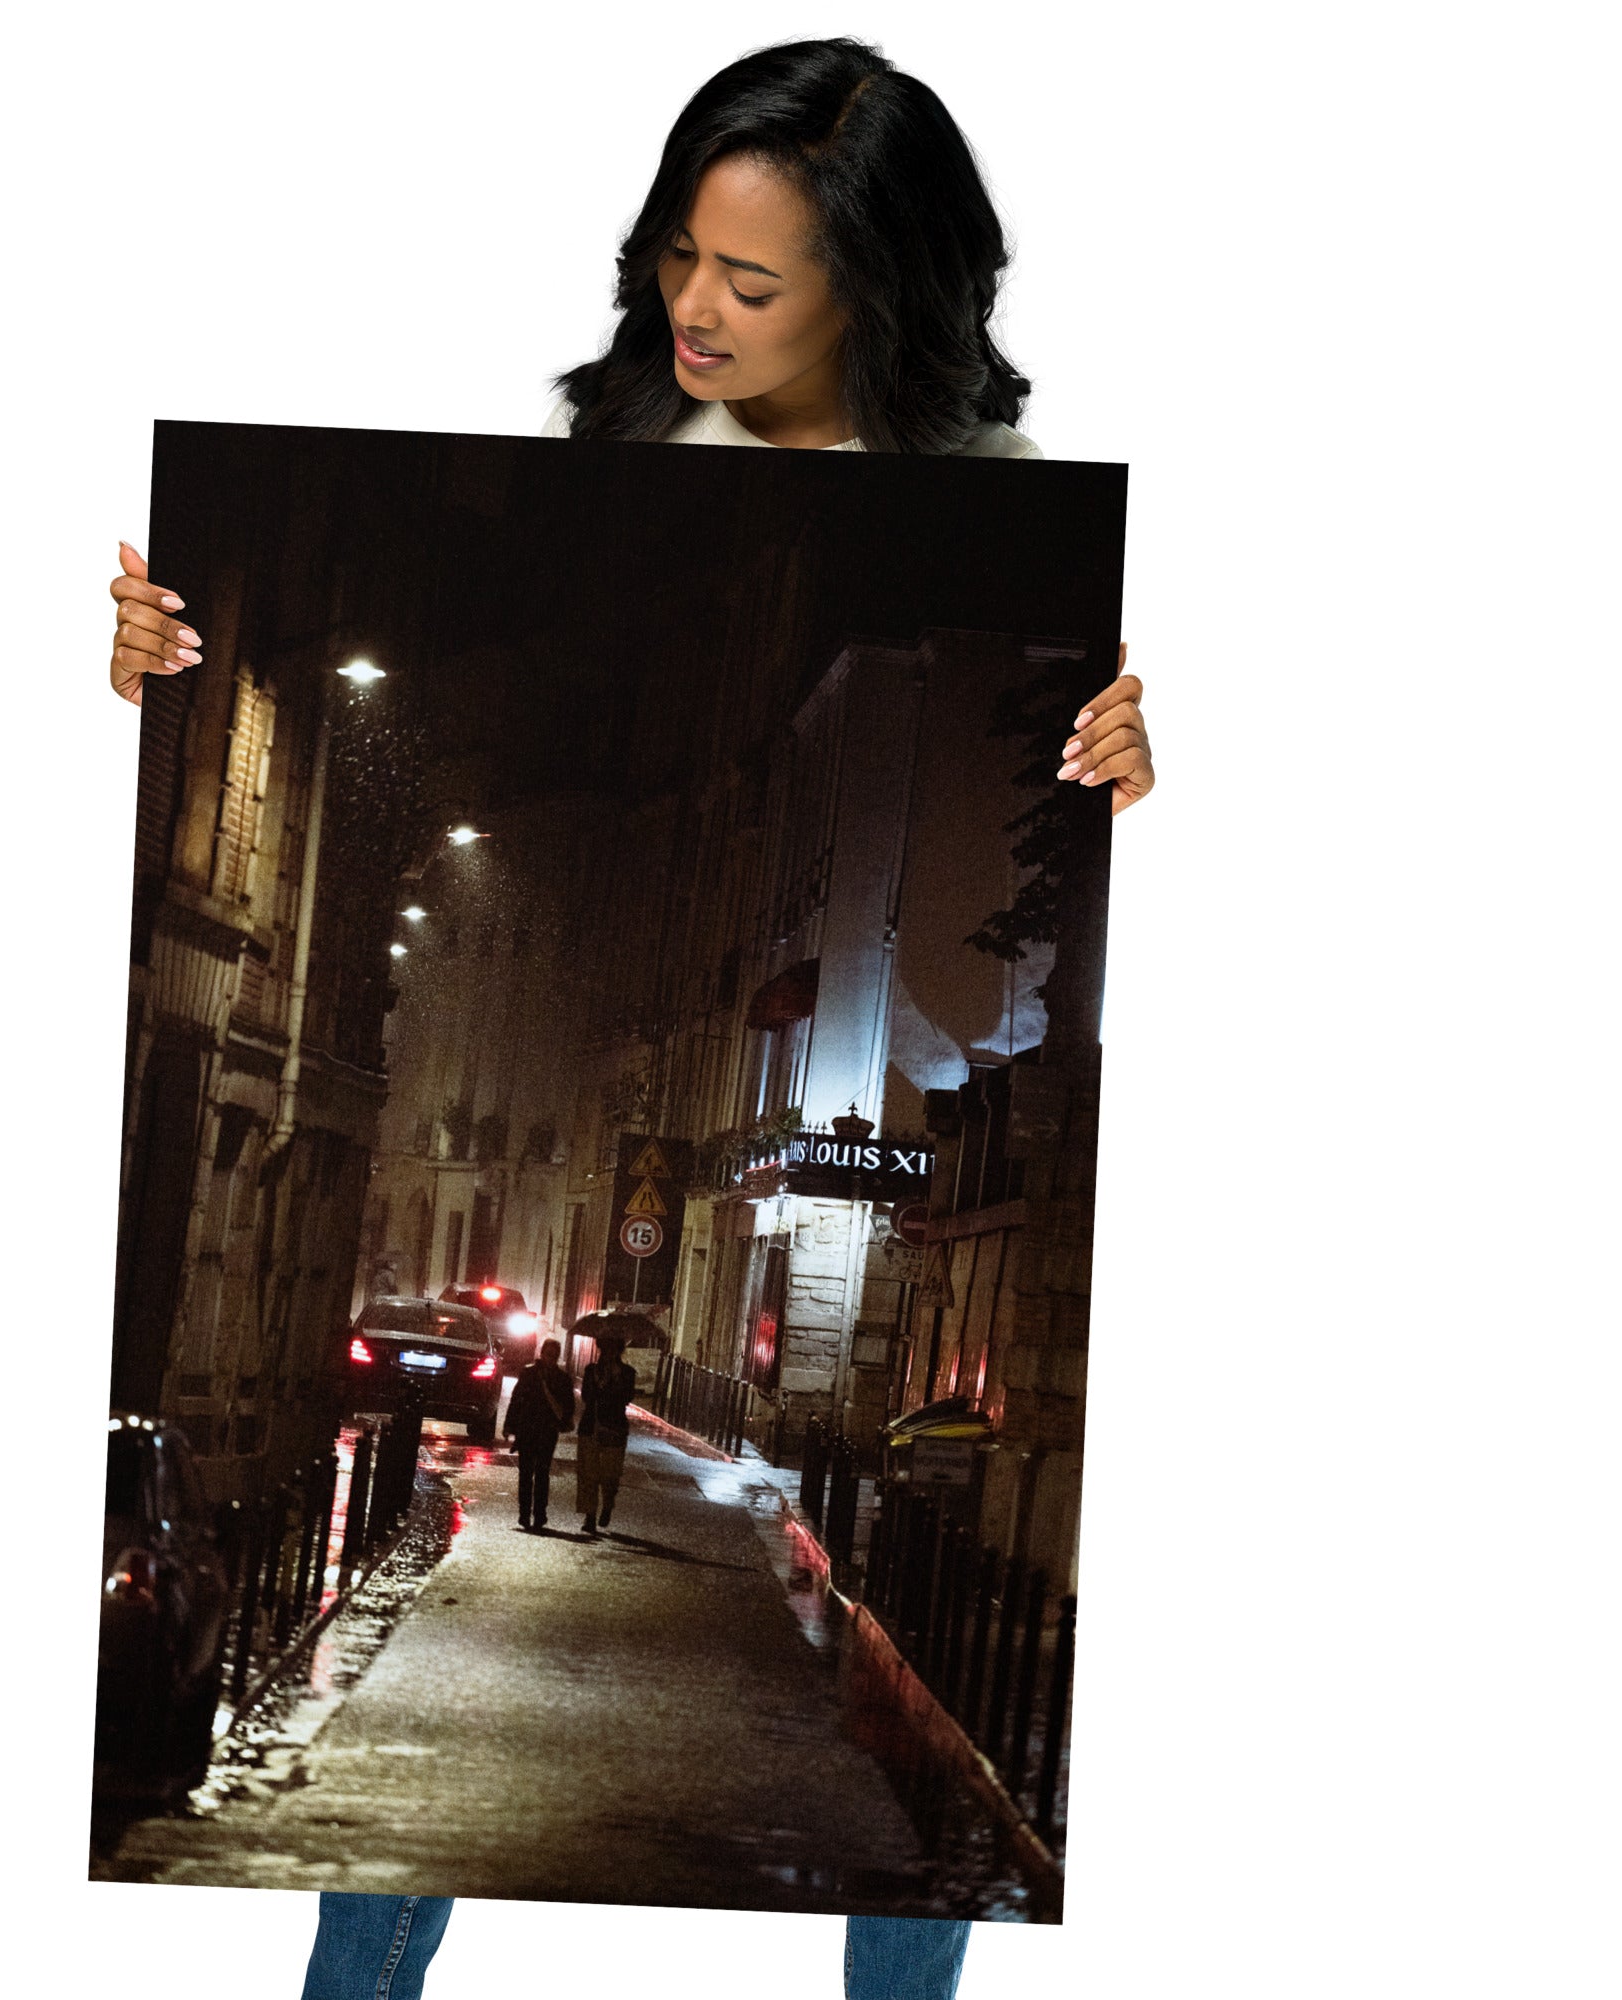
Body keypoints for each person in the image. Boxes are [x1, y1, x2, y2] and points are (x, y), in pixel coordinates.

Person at [111, 35, 1156, 2000]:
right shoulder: (575, 435)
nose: (693, 306)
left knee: (903, 1911)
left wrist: (1139, 756)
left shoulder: (1023, 506)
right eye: (682, 251)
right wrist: (125, 643)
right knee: (378, 1892)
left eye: (751, 282)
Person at [504, 1336, 574, 1529]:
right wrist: (509, 1425)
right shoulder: (528, 1374)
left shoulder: (562, 1379)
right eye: (548, 1354)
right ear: (541, 1354)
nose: (550, 1359)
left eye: (554, 1356)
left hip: (547, 1431)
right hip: (527, 1429)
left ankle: (540, 1514)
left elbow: (567, 1408)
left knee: (542, 1473)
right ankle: (524, 1513)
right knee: (526, 1473)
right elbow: (516, 1400)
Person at [574, 1327, 637, 1535]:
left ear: (618, 1351)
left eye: (612, 1350)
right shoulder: (591, 1370)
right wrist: (599, 1385)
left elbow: (626, 1398)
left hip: (614, 1429)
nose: (607, 1354)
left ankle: (608, 1504)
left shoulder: (627, 1373)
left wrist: (615, 1382)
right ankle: (590, 1516)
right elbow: (585, 1397)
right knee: (588, 1474)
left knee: (610, 1475)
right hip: (590, 1427)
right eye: (605, 1349)